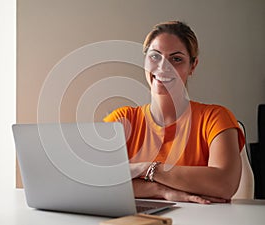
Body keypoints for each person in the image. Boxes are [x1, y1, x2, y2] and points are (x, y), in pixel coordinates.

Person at [104, 21, 245, 204]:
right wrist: (160, 190)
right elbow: (95, 182)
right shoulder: (121, 119)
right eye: (155, 57)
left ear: (193, 66)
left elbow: (224, 184)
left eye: (176, 59)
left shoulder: (215, 118)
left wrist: (145, 169)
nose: (163, 67)